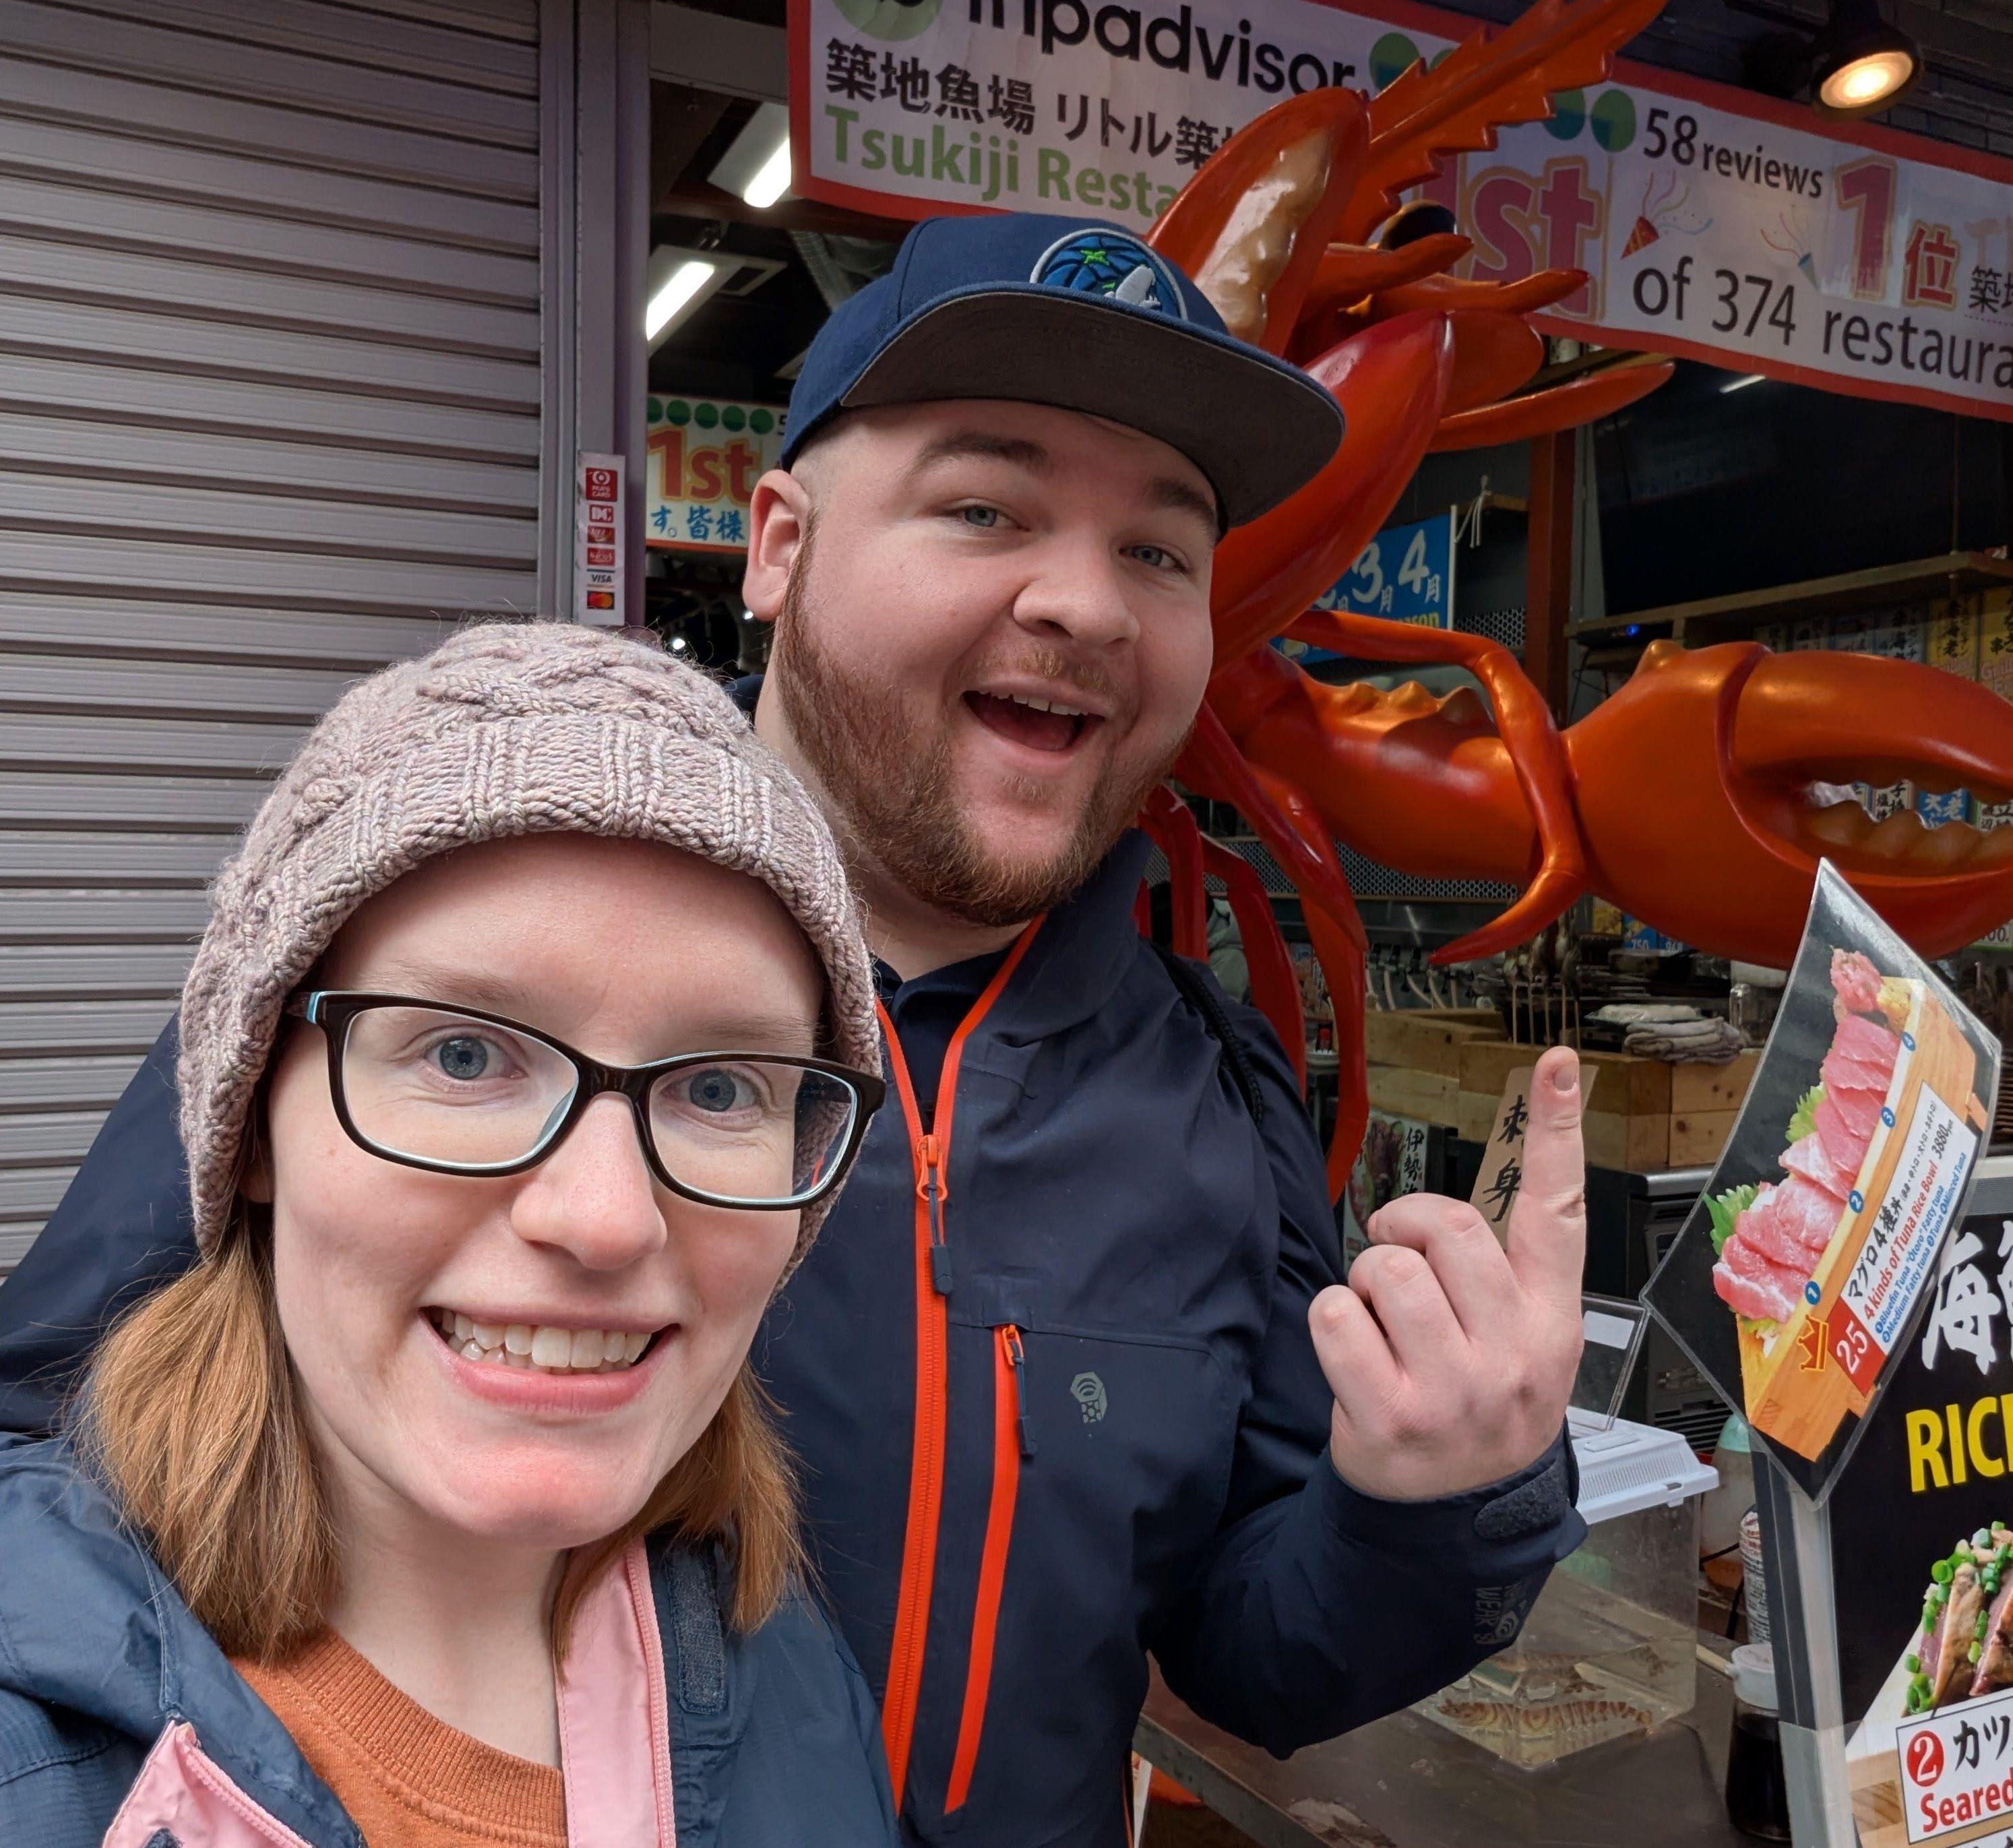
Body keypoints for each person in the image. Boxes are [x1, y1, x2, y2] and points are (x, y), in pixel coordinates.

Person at [0, 214, 1590, 1848]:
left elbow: (1249, 1651)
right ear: (776, 543)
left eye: (1161, 552)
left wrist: (1434, 1496)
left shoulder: (1214, 1098)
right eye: (988, 506)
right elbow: (60, 1472)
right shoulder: (414, 988)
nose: (1090, 604)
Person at [0, 625, 898, 1848]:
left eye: (722, 1087)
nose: (604, 1216)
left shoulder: (783, 1668)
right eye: (463, 1053)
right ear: (254, 1123)